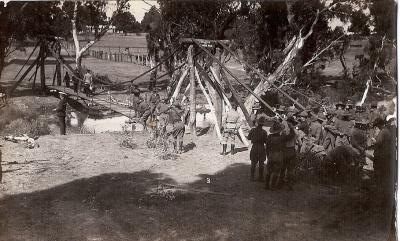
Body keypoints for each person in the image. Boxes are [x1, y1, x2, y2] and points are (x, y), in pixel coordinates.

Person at [371, 117, 397, 207]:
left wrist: (374, 140)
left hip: (381, 157)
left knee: (379, 176)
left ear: (380, 124)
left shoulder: (383, 131)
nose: (377, 127)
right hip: (385, 156)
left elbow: (378, 142)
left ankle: (380, 198)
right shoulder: (386, 130)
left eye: (377, 125)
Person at [265, 120, 293, 190]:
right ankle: (273, 186)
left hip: (271, 154)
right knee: (276, 171)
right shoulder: (282, 137)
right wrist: (291, 128)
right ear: (279, 130)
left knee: (269, 170)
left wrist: (268, 155)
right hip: (279, 155)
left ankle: (266, 185)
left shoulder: (269, 137)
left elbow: (267, 147)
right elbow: (291, 136)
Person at [247, 116, 268, 182]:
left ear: (258, 123)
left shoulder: (252, 130)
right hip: (261, 148)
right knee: (261, 163)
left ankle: (252, 177)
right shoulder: (264, 132)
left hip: (254, 147)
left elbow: (248, 138)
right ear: (263, 124)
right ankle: (261, 177)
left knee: (253, 163)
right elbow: (266, 141)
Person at [280, 115, 297, 190]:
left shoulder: (283, 131)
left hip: (285, 150)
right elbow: (298, 142)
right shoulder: (295, 131)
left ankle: (280, 183)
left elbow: (282, 138)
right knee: (290, 169)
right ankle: (289, 184)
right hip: (292, 149)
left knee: (283, 168)